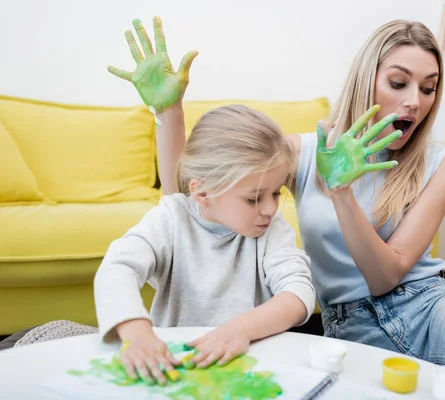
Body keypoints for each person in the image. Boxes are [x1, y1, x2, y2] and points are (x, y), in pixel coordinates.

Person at [122, 16, 445, 399]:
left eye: (428, 87)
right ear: (368, 79)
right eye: (398, 83)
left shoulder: (442, 163)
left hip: (430, 306)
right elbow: (197, 196)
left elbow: (387, 275)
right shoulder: (304, 152)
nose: (415, 102)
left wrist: (342, 193)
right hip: (349, 325)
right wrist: (169, 111)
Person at [99, 19, 315, 387]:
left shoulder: (270, 230)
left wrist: (240, 330)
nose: (270, 208)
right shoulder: (171, 218)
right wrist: (137, 333)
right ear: (202, 192)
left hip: (248, 368)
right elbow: (117, 268)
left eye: (276, 192)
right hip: (174, 370)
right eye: (253, 198)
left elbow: (300, 293)